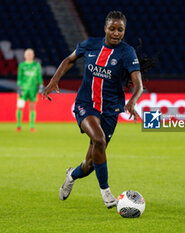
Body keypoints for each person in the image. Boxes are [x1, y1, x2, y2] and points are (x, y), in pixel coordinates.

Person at [43, 11, 155, 209]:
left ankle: (72, 175)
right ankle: (107, 193)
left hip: (110, 111)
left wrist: (132, 101)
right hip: (85, 104)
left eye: (120, 30)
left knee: (90, 164)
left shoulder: (127, 53)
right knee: (99, 139)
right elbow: (69, 60)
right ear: (105, 28)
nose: (116, 33)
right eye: (112, 28)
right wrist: (54, 80)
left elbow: (138, 84)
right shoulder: (90, 45)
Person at [16, 48, 44, 132]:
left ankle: (31, 126)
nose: (29, 56)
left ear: (33, 55)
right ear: (24, 56)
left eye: (30, 54)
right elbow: (19, 78)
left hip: (33, 89)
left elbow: (39, 76)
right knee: (20, 107)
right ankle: (18, 125)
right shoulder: (21, 65)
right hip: (23, 89)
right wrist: (19, 87)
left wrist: (41, 85)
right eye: (27, 54)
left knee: (32, 107)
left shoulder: (36, 65)